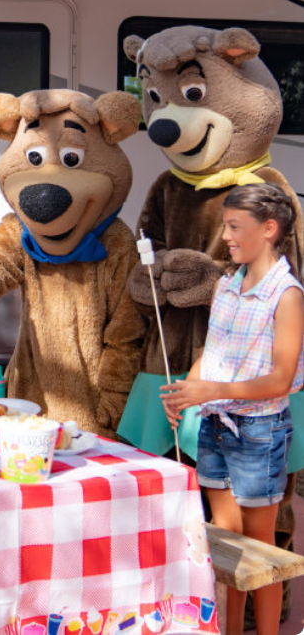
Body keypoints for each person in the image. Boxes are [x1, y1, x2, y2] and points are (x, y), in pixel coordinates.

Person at [161, 183, 304, 635]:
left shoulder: (288, 295)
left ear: (269, 229)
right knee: (228, 545)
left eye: (234, 226)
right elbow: (214, 348)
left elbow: (281, 380)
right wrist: (188, 389)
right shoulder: (227, 284)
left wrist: (209, 390)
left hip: (259, 432)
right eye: (225, 226)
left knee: (259, 552)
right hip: (216, 428)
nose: (225, 235)